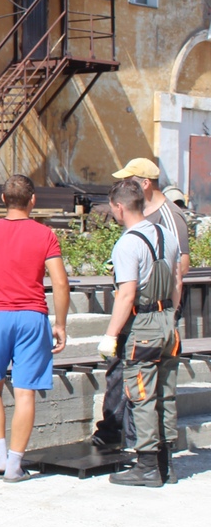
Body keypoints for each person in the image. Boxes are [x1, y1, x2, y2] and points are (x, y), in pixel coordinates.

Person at [0, 174, 69, 482]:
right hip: (33, 318)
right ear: (33, 200)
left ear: (4, 200)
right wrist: (60, 324)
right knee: (25, 392)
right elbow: (60, 282)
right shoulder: (46, 234)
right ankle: (15, 464)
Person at [91, 157, 189, 449]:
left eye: (129, 182)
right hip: (160, 315)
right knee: (159, 390)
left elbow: (177, 271)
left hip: (148, 316)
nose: (124, 187)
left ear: (144, 185)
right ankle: (161, 457)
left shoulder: (166, 221)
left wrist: (111, 334)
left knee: (143, 390)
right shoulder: (155, 230)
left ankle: (145, 456)